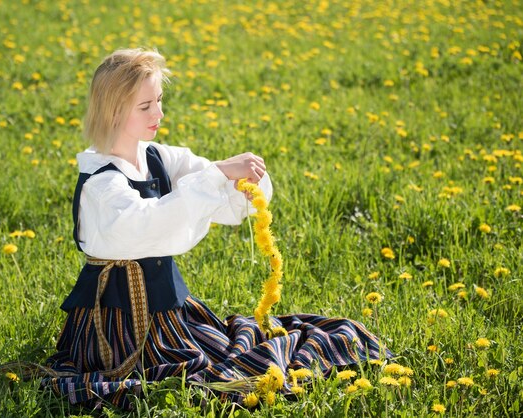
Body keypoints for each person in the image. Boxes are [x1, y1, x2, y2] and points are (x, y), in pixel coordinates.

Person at [42, 48, 392, 410]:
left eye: (159, 101)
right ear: (113, 110)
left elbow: (204, 181)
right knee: (194, 375)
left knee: (228, 349)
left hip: (167, 310)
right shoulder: (102, 184)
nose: (158, 114)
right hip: (116, 323)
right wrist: (217, 174)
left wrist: (238, 182)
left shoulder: (155, 156)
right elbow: (152, 224)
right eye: (145, 106)